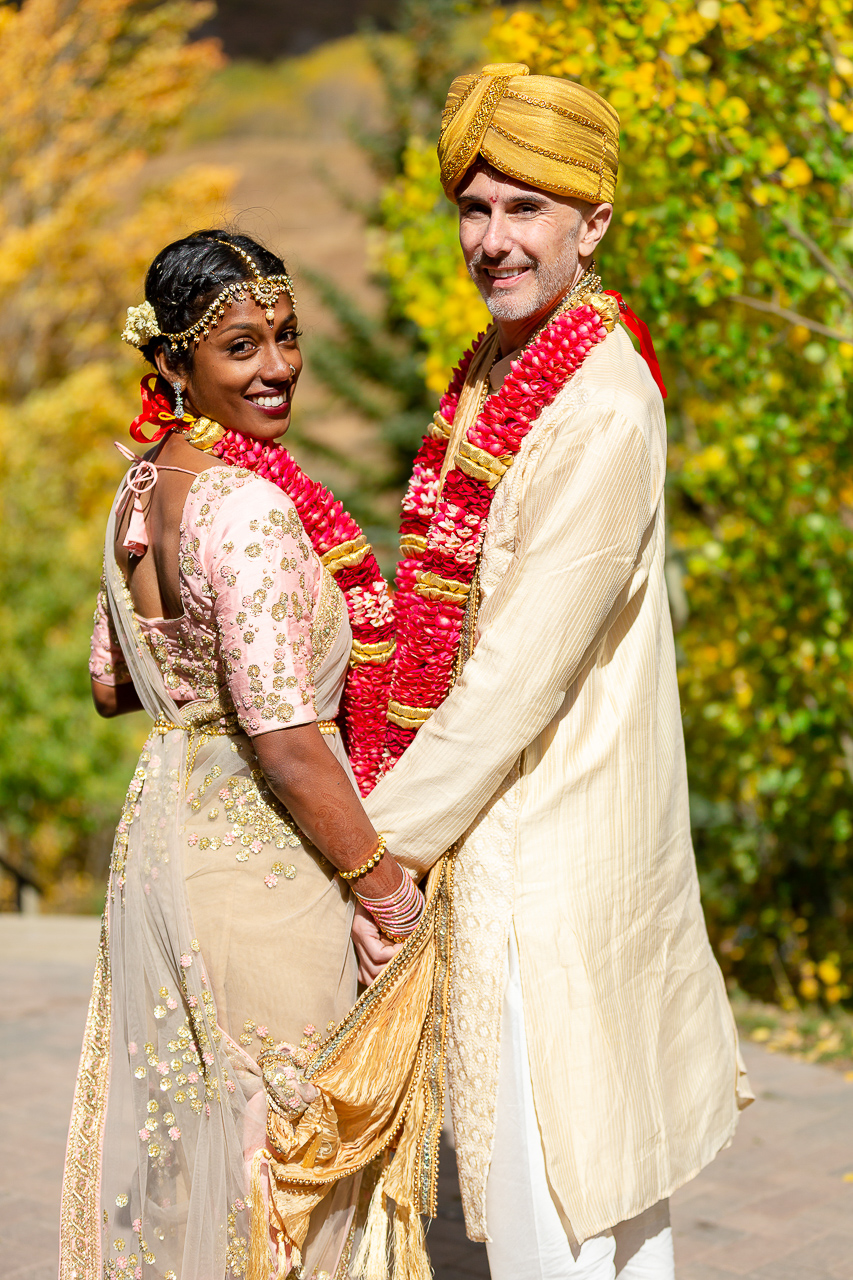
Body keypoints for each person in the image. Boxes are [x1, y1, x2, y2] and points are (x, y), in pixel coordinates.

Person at [357, 63, 753, 1280]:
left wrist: (375, 849)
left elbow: (518, 672)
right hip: (522, 826)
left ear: (593, 222)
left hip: (550, 845)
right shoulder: (501, 367)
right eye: (474, 208)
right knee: (587, 1192)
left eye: (526, 209)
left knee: (561, 1193)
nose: (492, 239)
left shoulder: (597, 407)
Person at [59, 231, 434, 1280]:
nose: (275, 366)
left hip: (162, 839)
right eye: (239, 346)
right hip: (264, 863)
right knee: (289, 1166)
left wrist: (190, 666)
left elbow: (108, 681)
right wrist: (386, 891)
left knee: (202, 1155)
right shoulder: (253, 507)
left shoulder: (137, 492)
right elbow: (284, 735)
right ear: (173, 364)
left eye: (286, 336)